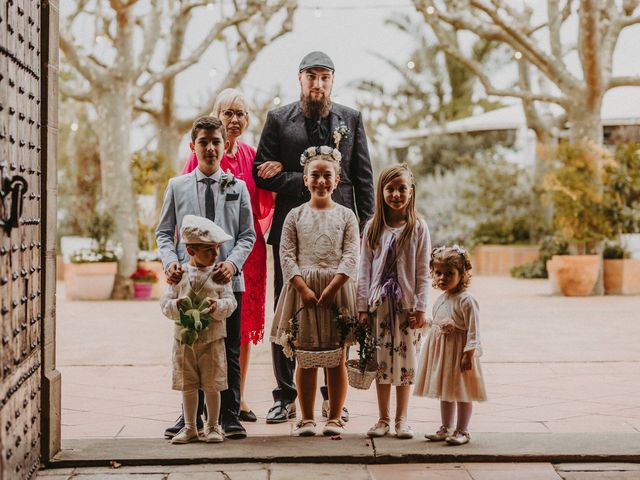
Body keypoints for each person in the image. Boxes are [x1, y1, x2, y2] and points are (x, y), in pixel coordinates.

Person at [253, 51, 375, 424]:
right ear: (300, 79)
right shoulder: (278, 119)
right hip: (295, 228)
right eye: (311, 76)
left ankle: (331, 398)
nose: (317, 83)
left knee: (337, 312)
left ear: (332, 81)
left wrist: (369, 229)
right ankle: (284, 395)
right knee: (287, 309)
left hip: (339, 230)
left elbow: (363, 176)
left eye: (324, 77)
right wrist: (302, 179)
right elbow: (261, 172)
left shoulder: (351, 119)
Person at [157, 116, 256, 439]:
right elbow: (163, 233)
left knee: (227, 348)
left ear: (224, 144)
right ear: (193, 147)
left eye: (216, 142)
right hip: (189, 281)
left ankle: (229, 415)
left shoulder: (237, 187)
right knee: (191, 345)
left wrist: (234, 264)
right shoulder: (177, 186)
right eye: (204, 142)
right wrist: (172, 263)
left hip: (227, 282)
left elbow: (247, 235)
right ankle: (190, 417)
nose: (211, 148)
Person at [181, 89, 274, 422]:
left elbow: (263, 203)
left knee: (243, 328)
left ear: (247, 120)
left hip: (247, 254)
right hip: (207, 256)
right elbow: (187, 207)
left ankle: (238, 397)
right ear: (216, 116)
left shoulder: (252, 155)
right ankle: (203, 400)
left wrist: (275, 171)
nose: (234, 119)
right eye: (228, 112)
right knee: (205, 322)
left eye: (240, 113)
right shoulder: (203, 152)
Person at [271, 147, 360, 436]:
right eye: (315, 175)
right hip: (303, 292)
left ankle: (334, 417)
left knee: (336, 358)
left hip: (337, 291)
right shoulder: (295, 216)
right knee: (305, 356)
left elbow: (350, 254)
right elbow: (286, 254)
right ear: (306, 180)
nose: (321, 181)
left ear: (337, 181)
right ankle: (307, 418)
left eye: (327, 176)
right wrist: (302, 287)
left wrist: (335, 285)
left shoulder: (347, 216)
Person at [357, 164, 431, 440]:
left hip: (406, 308)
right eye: (390, 189)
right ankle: (383, 418)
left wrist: (421, 307)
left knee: (405, 363)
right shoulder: (373, 227)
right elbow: (363, 270)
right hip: (379, 307)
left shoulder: (418, 228)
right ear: (381, 192)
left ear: (411, 192)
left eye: (402, 189)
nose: (396, 194)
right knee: (381, 364)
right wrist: (362, 307)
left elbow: (423, 271)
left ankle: (402, 419)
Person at [160, 215, 237, 444]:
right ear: (191, 251)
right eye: (208, 251)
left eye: (216, 250)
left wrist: (217, 307)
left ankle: (213, 425)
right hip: (184, 342)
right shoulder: (179, 274)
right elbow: (165, 303)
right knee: (189, 383)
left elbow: (231, 303)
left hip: (213, 339)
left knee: (213, 384)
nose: (215, 256)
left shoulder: (219, 276)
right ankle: (190, 425)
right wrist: (176, 305)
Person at [414, 245, 487, 446]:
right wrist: (425, 323)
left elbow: (473, 330)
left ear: (462, 274)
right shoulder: (441, 299)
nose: (442, 278)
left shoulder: (467, 301)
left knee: (462, 391)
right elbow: (438, 322)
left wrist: (468, 354)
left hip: (460, 352)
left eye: (449, 273)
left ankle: (462, 430)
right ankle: (445, 427)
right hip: (443, 353)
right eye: (438, 273)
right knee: (446, 390)